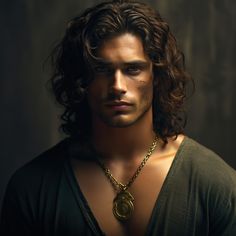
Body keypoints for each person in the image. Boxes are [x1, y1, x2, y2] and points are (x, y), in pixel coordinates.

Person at [1, 0, 236, 235]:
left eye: (133, 69)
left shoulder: (215, 185)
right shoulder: (31, 189)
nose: (117, 86)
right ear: (82, 79)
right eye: (102, 70)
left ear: (157, 75)